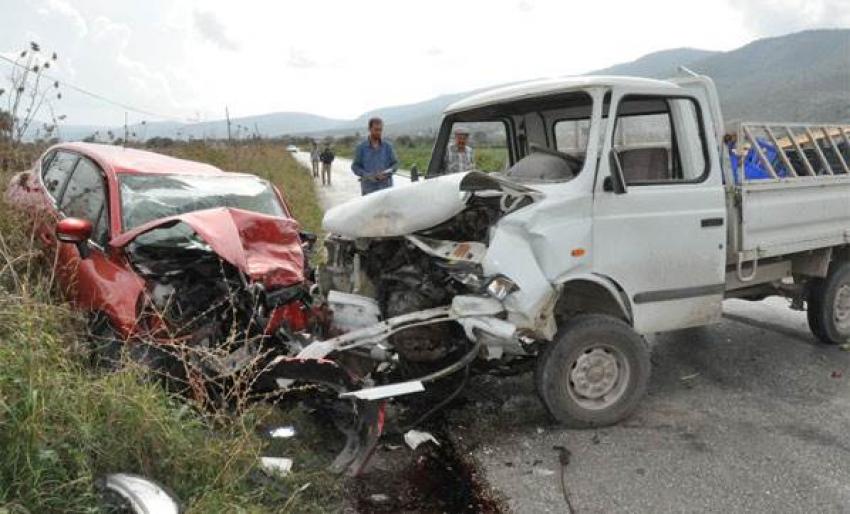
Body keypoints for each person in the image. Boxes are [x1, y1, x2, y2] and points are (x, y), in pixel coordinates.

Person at [352, 117, 398, 195]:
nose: (378, 132)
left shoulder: (388, 147)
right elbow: (355, 166)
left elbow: (395, 164)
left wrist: (387, 173)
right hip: (369, 191)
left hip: (386, 189)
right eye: (376, 130)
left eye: (380, 130)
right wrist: (368, 175)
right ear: (369, 129)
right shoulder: (361, 147)